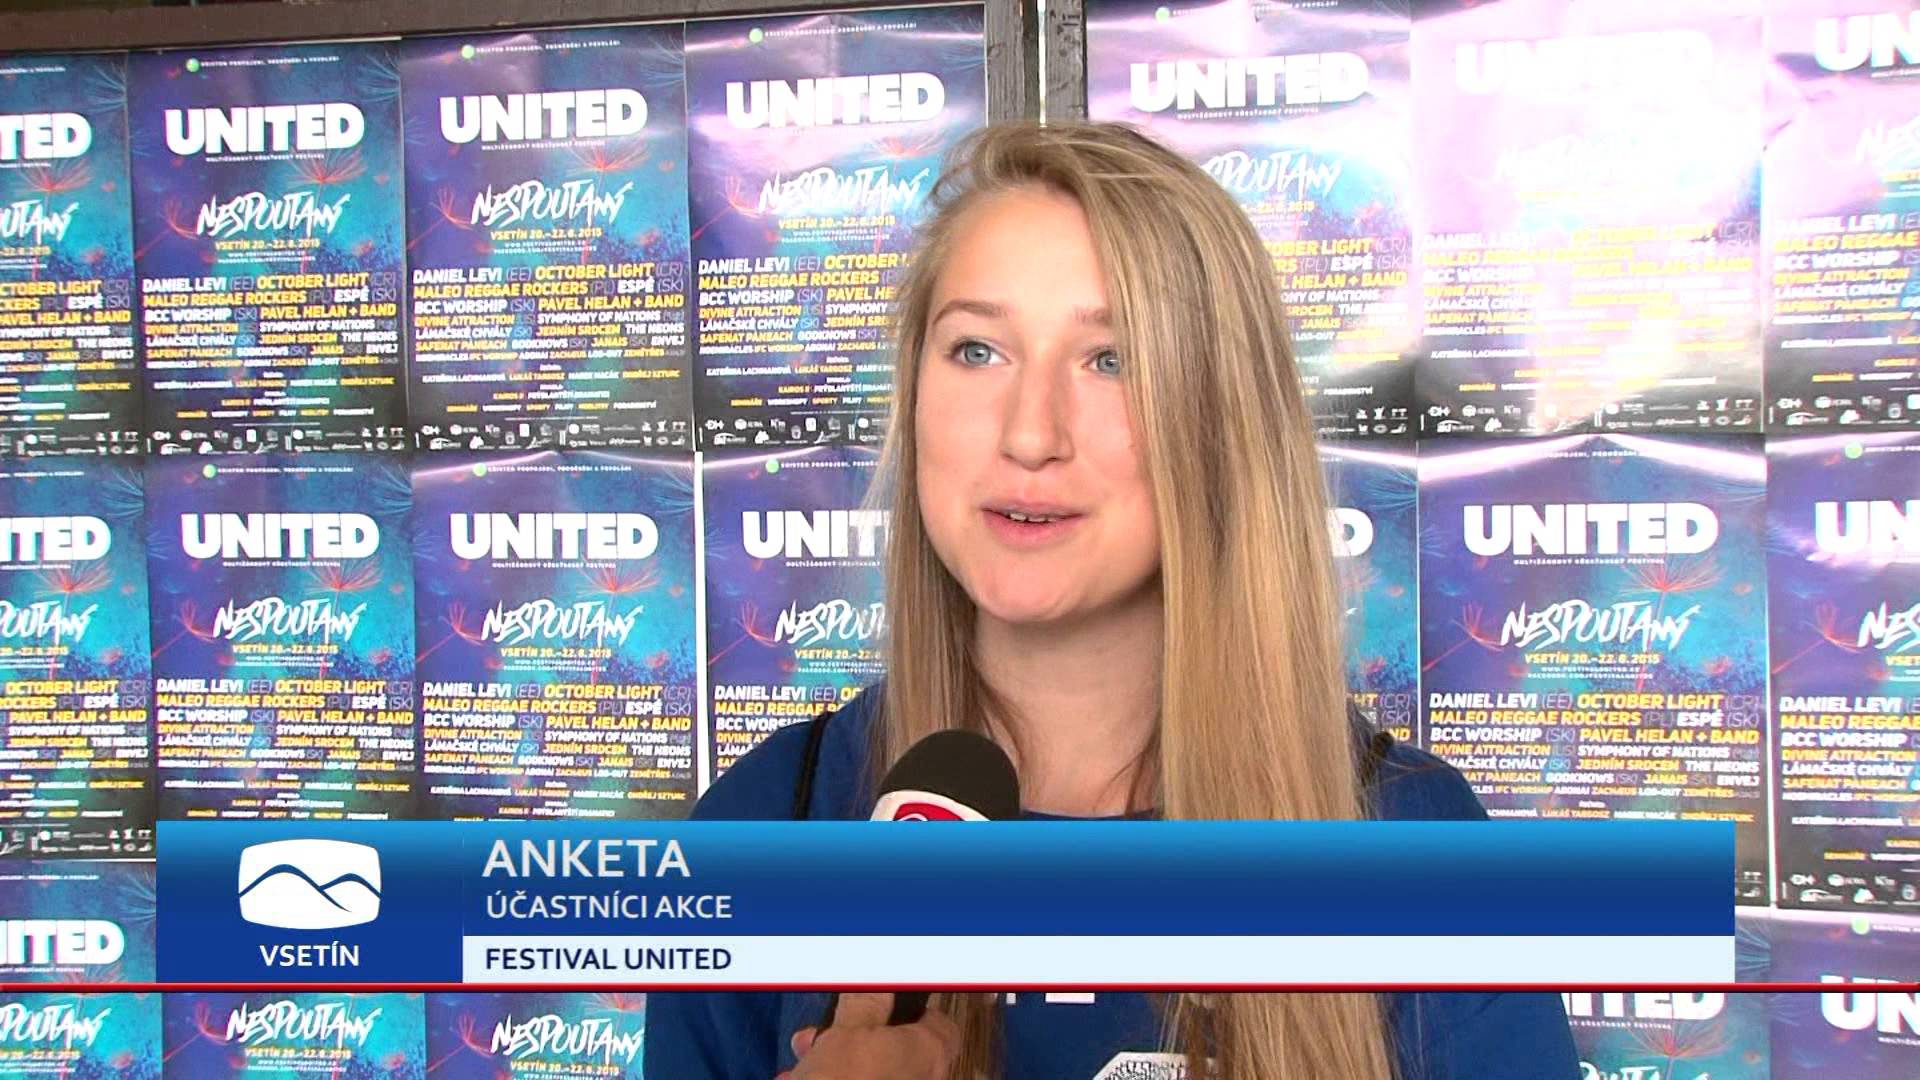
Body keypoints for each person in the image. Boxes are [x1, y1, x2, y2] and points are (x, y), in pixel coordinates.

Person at [644, 120, 1579, 1079]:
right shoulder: (759, 827)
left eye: (1111, 359)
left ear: (1222, 421)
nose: (1031, 434)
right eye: (976, 350)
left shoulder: (1420, 849)